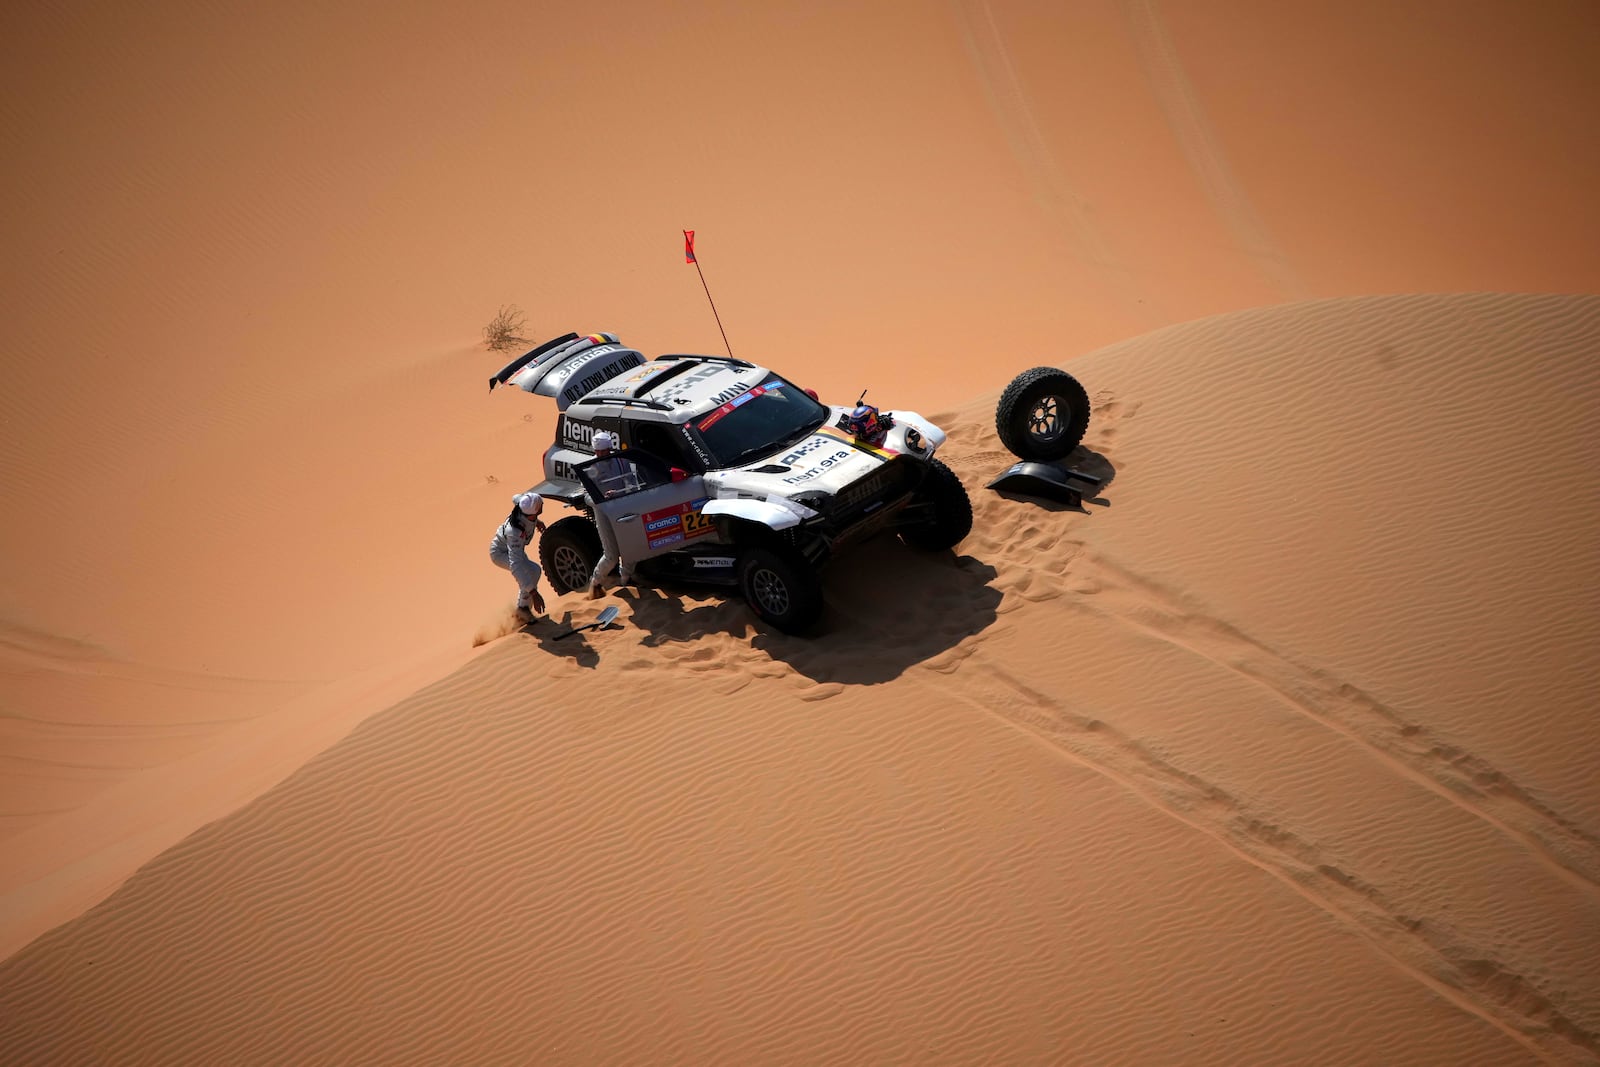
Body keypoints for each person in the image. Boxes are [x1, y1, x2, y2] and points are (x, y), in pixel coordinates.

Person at [586, 431, 635, 598]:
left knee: (631, 547)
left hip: (623, 506)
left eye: (604, 452)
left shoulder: (621, 461)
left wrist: (621, 492)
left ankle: (626, 578)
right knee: (611, 555)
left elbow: (631, 483)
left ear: (609, 449)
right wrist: (600, 498)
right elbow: (586, 495)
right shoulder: (589, 467)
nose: (600, 455)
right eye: (598, 452)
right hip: (603, 511)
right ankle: (596, 582)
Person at [489, 491, 547, 623]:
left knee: (534, 571)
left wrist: (537, 522)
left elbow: (514, 496)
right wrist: (533, 593)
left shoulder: (522, 504)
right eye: (540, 504)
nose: (543, 503)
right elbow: (516, 566)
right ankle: (523, 609)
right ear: (535, 511)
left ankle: (522, 609)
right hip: (500, 553)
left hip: (514, 550)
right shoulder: (515, 533)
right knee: (529, 572)